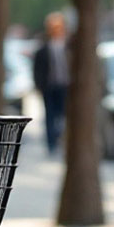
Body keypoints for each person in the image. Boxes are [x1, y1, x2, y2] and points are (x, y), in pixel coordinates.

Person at [33, 12, 70, 155]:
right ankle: (51, 143)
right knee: (49, 115)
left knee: (62, 115)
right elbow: (37, 69)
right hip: (49, 86)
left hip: (64, 86)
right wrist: (39, 85)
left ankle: (60, 138)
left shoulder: (67, 46)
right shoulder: (43, 49)